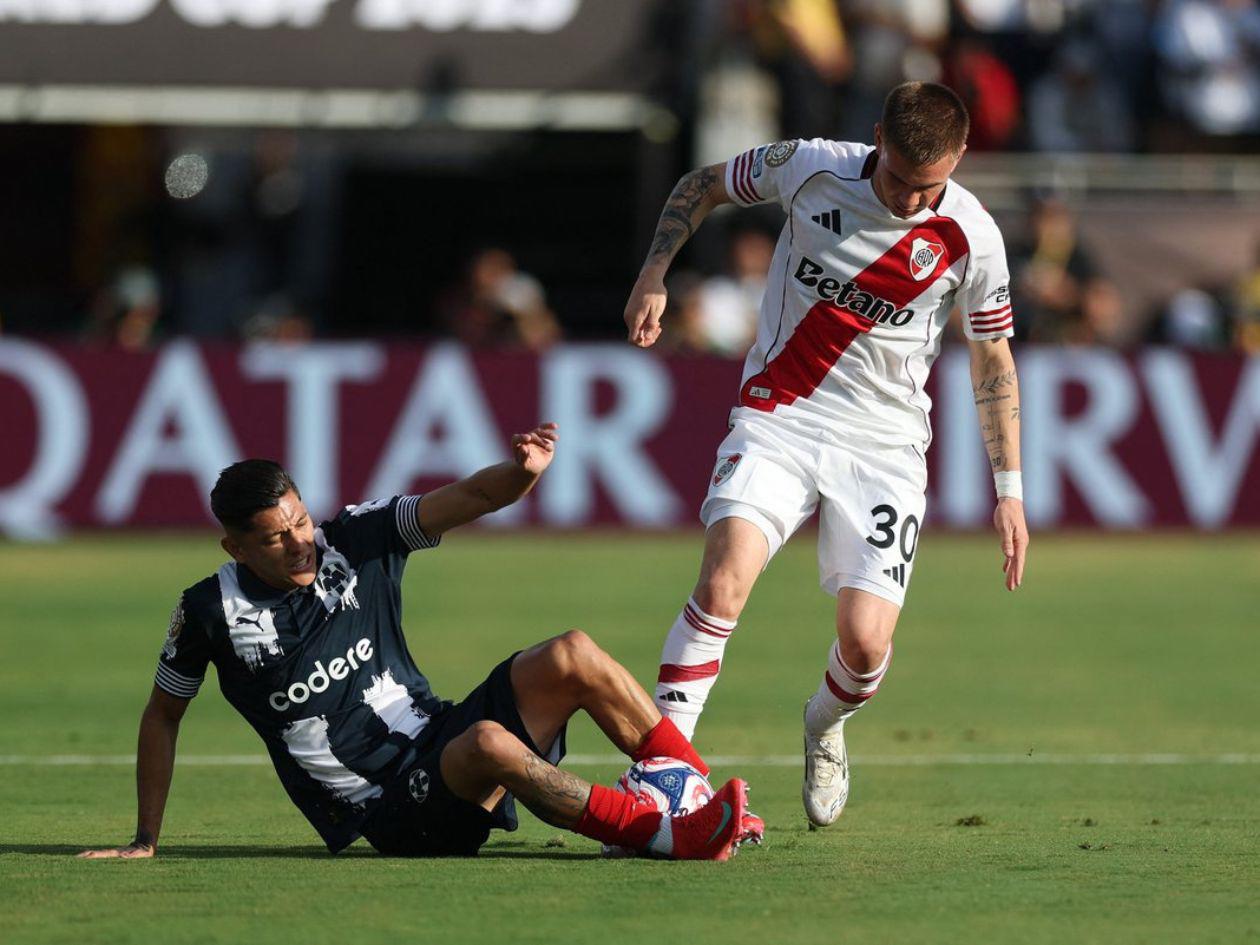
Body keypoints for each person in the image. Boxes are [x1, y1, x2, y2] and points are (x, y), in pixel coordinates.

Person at [622, 82, 1029, 828]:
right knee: (722, 584)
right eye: (899, 179)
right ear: (876, 138)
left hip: (886, 445)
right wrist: (655, 271)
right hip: (780, 416)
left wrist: (1010, 489)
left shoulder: (974, 236)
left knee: (866, 643)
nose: (909, 200)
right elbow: (701, 184)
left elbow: (992, 356)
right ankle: (659, 771)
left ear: (960, 158)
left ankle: (824, 723)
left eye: (927, 186)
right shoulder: (810, 167)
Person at [79, 424, 762, 861]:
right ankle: (662, 835)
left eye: (301, 520)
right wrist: (146, 838)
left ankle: (695, 797)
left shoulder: (353, 537)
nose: (299, 543)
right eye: (274, 537)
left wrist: (520, 473)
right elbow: (162, 713)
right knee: (493, 743)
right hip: (393, 811)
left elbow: (464, 497)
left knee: (572, 652)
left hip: (439, 739)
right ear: (234, 545)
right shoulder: (208, 611)